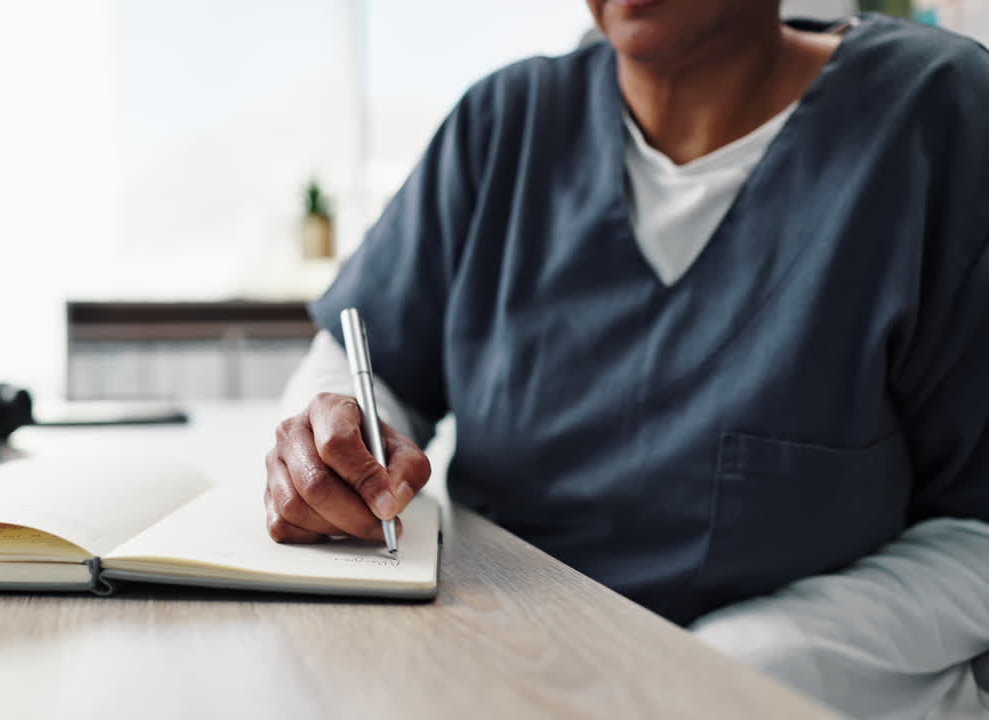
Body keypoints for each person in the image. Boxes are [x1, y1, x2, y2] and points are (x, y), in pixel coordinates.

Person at [265, 2, 989, 717]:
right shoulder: (508, 125)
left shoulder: (940, 117)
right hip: (497, 670)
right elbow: (368, 366)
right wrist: (339, 442)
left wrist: (715, 672)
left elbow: (975, 536)